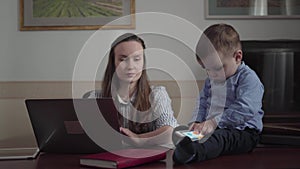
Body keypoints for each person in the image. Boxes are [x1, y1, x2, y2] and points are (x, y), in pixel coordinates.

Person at [173, 23, 264, 163]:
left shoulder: (248, 78)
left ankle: (193, 153)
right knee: (186, 133)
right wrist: (197, 121)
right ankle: (185, 147)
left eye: (217, 68)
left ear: (237, 57)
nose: (212, 74)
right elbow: (202, 102)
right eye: (207, 69)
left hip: (243, 132)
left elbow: (246, 108)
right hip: (213, 127)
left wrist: (214, 122)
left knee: (220, 139)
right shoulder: (212, 79)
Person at [84, 33, 178, 147]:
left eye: (137, 59)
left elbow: (170, 133)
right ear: (113, 63)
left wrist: (139, 139)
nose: (130, 66)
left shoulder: (157, 94)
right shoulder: (94, 98)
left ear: (143, 63)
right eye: (123, 60)